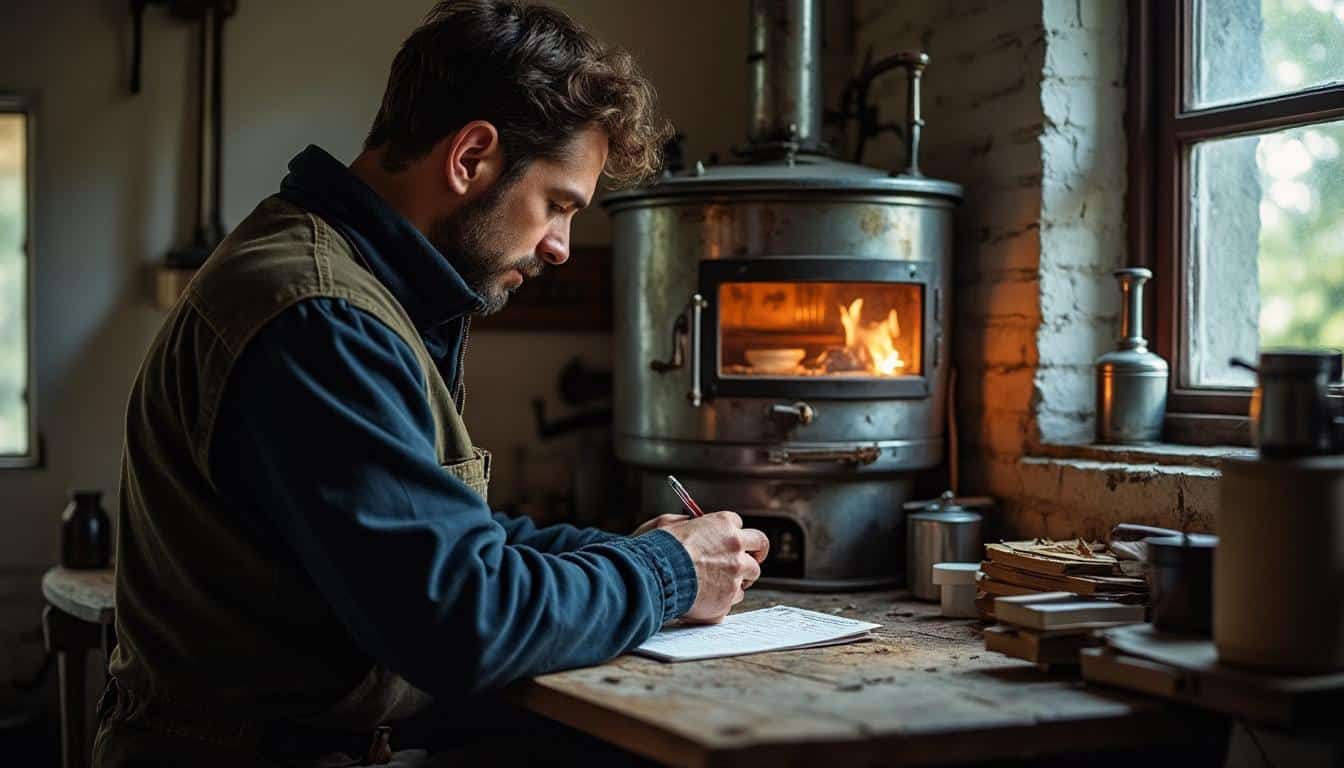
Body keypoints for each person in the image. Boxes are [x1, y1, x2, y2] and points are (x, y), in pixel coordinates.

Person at [93, 1, 767, 765]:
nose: (561, 249)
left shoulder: (355, 286)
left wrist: (637, 551)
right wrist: (669, 574)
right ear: (471, 155)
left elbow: (449, 542)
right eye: (558, 205)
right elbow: (462, 622)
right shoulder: (320, 316)